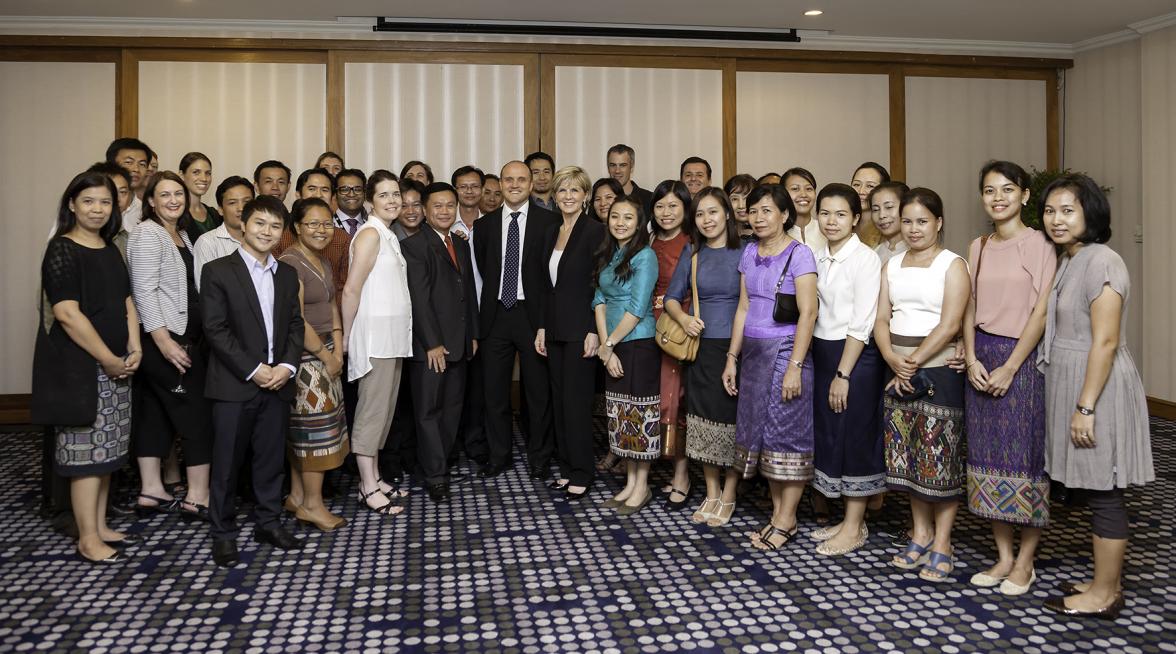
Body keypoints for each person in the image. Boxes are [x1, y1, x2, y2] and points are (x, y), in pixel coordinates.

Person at [1038, 174, 1153, 619]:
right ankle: (1104, 579)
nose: (1056, 220)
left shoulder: (1104, 261)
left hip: (1097, 385)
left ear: (1091, 213)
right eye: (1050, 211)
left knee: (1105, 490)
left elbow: (1104, 342)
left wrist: (1085, 406)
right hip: (1075, 377)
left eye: (1068, 210)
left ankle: (1105, 595)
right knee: (1091, 484)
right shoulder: (1073, 258)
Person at [32, 171, 141, 563]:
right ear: (72, 205)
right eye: (89, 201)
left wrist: (134, 346)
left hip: (118, 363)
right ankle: (87, 537)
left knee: (109, 450)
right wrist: (108, 359)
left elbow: (126, 301)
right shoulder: (61, 249)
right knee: (86, 456)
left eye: (106, 202)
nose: (98, 209)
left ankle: (100, 525)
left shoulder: (110, 247)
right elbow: (66, 314)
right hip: (82, 368)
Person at [959, 161, 1056, 594]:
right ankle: (1003, 557)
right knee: (987, 460)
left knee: (1025, 461)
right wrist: (973, 355)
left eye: (1007, 189)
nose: (997, 198)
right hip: (982, 357)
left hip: (1023, 360)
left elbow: (1041, 311)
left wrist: (1012, 365)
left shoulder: (1040, 244)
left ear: (1025, 196)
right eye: (989, 190)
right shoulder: (978, 245)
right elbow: (970, 305)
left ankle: (1026, 562)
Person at [200, 195, 305, 567]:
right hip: (235, 384)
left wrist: (287, 367)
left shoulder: (287, 273)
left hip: (278, 382)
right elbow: (215, 329)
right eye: (260, 223)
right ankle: (223, 533)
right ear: (243, 224)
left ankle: (268, 523)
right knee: (226, 464)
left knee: (270, 460)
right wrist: (254, 368)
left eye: (275, 226)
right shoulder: (217, 271)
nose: (267, 231)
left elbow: (295, 325)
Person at [875, 187, 969, 583]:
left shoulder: (953, 265)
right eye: (908, 221)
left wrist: (911, 363)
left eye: (922, 221)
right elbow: (880, 319)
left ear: (939, 223)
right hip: (896, 367)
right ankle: (920, 533)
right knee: (909, 455)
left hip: (938, 370)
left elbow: (950, 324)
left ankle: (943, 542)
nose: (914, 229)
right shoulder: (892, 265)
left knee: (940, 459)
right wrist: (894, 359)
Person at [728, 185, 818, 551]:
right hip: (752, 352)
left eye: (767, 210)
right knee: (764, 434)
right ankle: (780, 515)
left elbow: (809, 311)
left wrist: (795, 365)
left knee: (787, 433)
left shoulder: (800, 254)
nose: (759, 217)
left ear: (784, 214)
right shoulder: (749, 252)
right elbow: (744, 307)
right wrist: (732, 358)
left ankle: (786, 518)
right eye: (754, 211)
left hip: (786, 349)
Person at [126, 171, 213, 522]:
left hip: (175, 338)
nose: (174, 200)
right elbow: (143, 290)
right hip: (167, 341)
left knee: (155, 413)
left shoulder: (180, 234)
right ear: (150, 201)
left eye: (178, 193)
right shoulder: (148, 233)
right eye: (164, 195)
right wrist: (163, 341)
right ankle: (198, 495)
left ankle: (151, 489)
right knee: (197, 415)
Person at [809, 183, 885, 556]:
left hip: (854, 357)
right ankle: (847, 519)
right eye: (825, 213)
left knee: (855, 436)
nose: (832, 221)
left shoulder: (866, 259)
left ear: (856, 218)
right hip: (823, 353)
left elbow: (862, 321)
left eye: (841, 214)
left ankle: (855, 527)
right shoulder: (817, 256)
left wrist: (843, 374)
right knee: (831, 433)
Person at [471, 161, 559, 479]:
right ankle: (499, 455)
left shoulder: (551, 222)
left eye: (522, 179)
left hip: (533, 317)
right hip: (495, 316)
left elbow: (552, 276)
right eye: (509, 179)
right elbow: (484, 268)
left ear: (531, 182)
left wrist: (545, 322)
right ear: (500, 184)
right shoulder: (484, 227)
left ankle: (540, 457)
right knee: (494, 393)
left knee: (538, 393)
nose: (515, 184)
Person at [663, 187, 743, 527]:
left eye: (713, 212)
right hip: (700, 347)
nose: (706, 219)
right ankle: (712, 491)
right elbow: (671, 297)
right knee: (702, 421)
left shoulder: (748, 251)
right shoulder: (692, 252)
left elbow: (751, 303)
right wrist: (683, 318)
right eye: (699, 214)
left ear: (727, 213)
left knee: (734, 422)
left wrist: (734, 355)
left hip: (738, 347)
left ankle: (730, 493)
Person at [402, 183, 479, 503]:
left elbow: (468, 292)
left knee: (452, 407)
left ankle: (441, 460)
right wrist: (432, 343)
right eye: (438, 206)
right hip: (430, 347)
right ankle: (435, 475)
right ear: (424, 209)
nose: (445, 211)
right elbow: (418, 300)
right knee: (429, 410)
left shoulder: (459, 244)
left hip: (459, 342)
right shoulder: (414, 246)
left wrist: (472, 333)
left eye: (450, 205)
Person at [341, 169, 412, 516]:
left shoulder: (388, 234)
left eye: (396, 194)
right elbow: (351, 289)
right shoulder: (370, 234)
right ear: (370, 201)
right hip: (374, 339)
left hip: (393, 338)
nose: (392, 200)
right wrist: (347, 335)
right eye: (384, 195)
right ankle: (367, 486)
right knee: (371, 413)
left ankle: (376, 476)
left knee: (384, 413)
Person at [278, 198, 350, 532]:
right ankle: (312, 505)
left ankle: (296, 496)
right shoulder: (290, 263)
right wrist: (326, 355)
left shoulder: (320, 258)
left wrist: (339, 342)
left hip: (329, 349)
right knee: (314, 432)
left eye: (326, 224)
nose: (321, 230)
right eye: (313, 224)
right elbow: (297, 320)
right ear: (297, 227)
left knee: (316, 427)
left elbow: (332, 303)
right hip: (308, 356)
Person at [535, 166, 606, 500]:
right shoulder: (550, 231)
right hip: (554, 328)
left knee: (577, 404)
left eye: (575, 190)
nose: (567, 196)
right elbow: (545, 286)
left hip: (582, 329)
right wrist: (541, 326)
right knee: (559, 401)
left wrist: (594, 329)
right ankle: (566, 467)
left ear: (585, 196)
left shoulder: (595, 231)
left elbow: (600, 283)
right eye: (562, 190)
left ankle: (582, 470)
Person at [594, 195, 660, 515]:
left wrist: (608, 346)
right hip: (614, 345)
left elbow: (637, 308)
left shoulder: (645, 256)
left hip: (637, 342)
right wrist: (607, 349)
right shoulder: (609, 254)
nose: (620, 222)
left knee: (640, 414)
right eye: (615, 216)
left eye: (628, 218)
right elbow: (597, 300)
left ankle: (642, 486)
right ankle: (630, 483)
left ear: (639, 223)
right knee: (622, 415)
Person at [649, 180, 694, 507]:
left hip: (675, 327)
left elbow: (694, 288)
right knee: (654, 397)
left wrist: (677, 314)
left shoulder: (690, 242)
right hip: (646, 326)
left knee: (675, 400)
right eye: (661, 206)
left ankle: (682, 475)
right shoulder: (649, 239)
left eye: (673, 206)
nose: (666, 213)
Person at [274, 168, 350, 303]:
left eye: (325, 190)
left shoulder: (342, 238)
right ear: (298, 195)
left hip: (332, 315)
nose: (318, 194)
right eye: (312, 188)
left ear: (333, 198)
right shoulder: (279, 234)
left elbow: (344, 287)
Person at [193, 176, 254, 290]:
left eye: (247, 202)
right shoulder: (207, 243)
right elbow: (207, 291)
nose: (241, 208)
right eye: (232, 203)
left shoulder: (262, 239)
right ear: (220, 209)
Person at [84, 162, 134, 258]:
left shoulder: (126, 237)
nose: (117, 198)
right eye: (110, 191)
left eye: (123, 192)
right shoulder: (77, 239)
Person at [105, 137, 150, 228]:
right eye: (128, 162)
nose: (136, 169)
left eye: (142, 164)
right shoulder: (97, 209)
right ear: (111, 165)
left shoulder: (145, 213)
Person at [179, 152, 222, 241]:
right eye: (196, 172)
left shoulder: (214, 214)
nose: (204, 178)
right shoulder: (175, 213)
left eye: (208, 173)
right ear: (182, 175)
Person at [782, 168, 824, 252]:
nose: (803, 194)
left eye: (808, 189)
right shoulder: (777, 232)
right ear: (783, 194)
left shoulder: (826, 229)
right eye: (795, 189)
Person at [868, 181, 910, 264]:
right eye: (875, 210)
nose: (881, 215)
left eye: (889, 207)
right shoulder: (872, 255)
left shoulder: (918, 251)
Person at [850, 162, 890, 247]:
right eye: (856, 184)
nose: (861, 191)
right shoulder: (844, 224)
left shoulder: (888, 228)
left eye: (870, 186)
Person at [606, 144, 653, 211]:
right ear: (608, 168)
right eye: (613, 165)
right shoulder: (601, 201)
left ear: (631, 167)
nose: (617, 171)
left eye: (622, 165)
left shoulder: (649, 199)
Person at [334, 168, 368, 237]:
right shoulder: (327, 225)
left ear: (364, 194)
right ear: (335, 194)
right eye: (344, 190)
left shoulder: (371, 225)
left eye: (358, 189)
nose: (351, 194)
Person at [724, 174, 757, 242]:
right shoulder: (720, 236)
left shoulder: (767, 235)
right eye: (734, 199)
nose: (741, 206)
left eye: (746, 198)